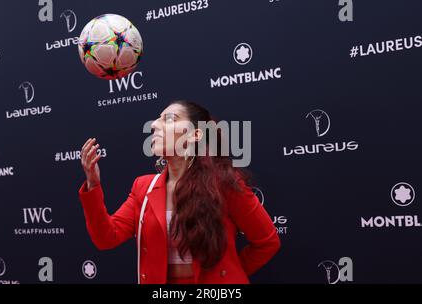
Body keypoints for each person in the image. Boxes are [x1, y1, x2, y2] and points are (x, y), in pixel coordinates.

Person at [78, 100, 281, 284]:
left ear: (195, 134)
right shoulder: (143, 187)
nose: (154, 125)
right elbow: (106, 237)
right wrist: (93, 185)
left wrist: (227, 274)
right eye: (157, 120)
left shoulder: (224, 183)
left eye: (169, 119)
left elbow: (267, 242)